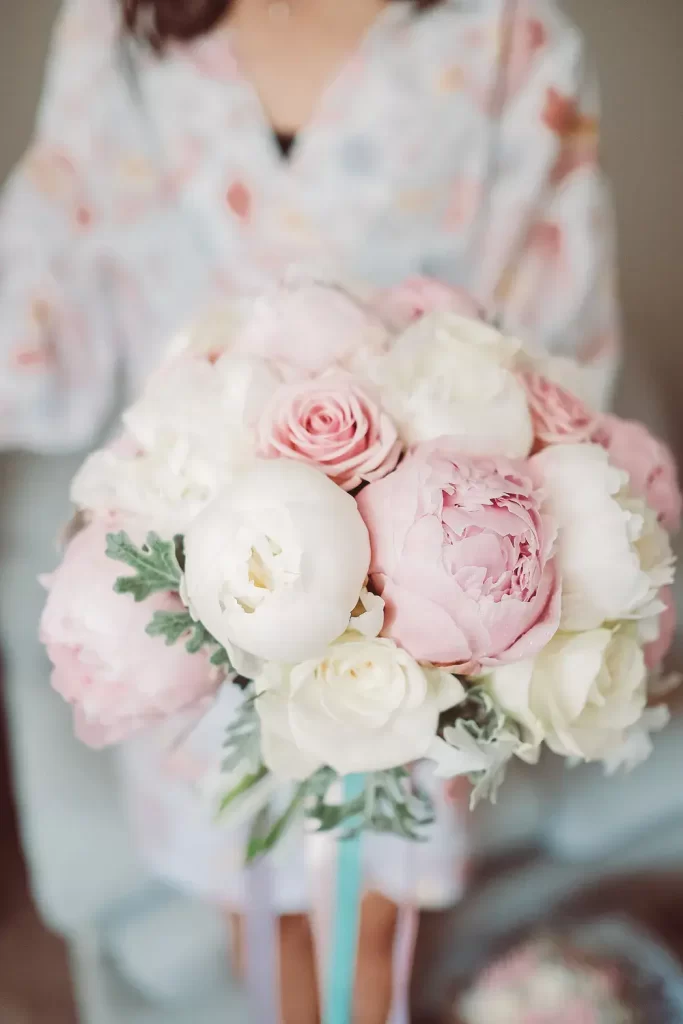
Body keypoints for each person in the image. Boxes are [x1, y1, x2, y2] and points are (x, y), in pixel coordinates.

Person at [0, 0, 620, 1021]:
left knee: (369, 915)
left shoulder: (508, 32)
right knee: (246, 899)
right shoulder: (114, 25)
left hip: (412, 588)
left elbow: (560, 323)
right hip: (192, 557)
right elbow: (48, 263)